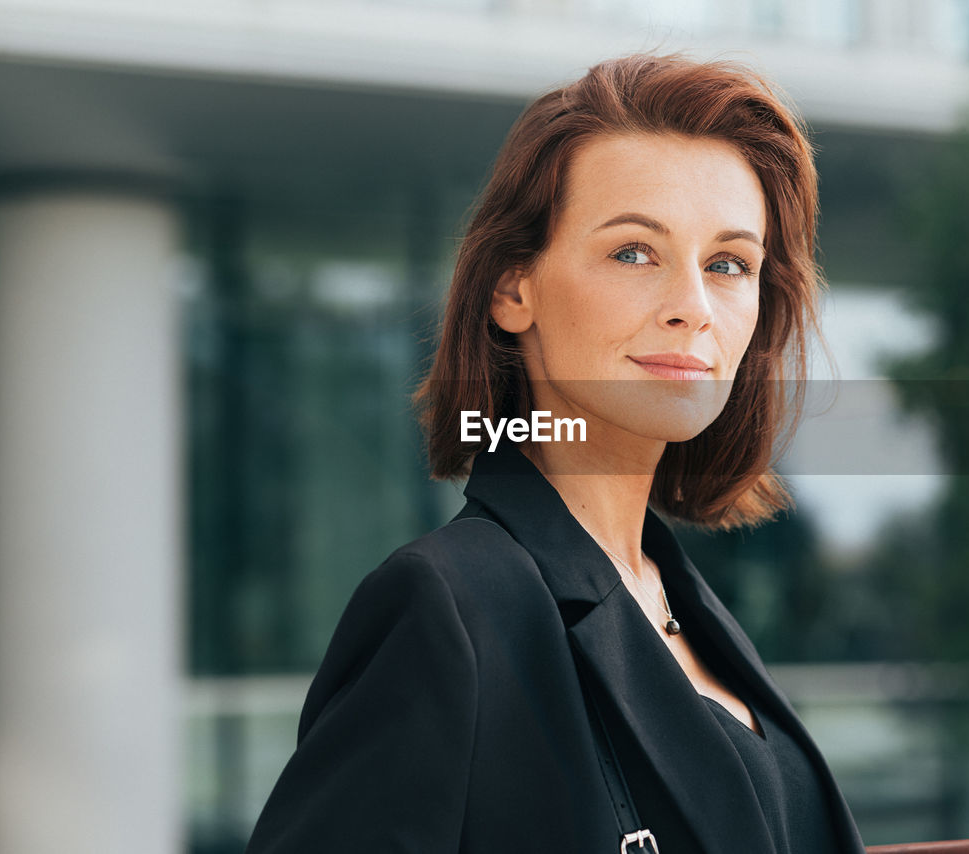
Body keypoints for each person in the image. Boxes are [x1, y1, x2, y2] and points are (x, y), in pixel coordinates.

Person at [244, 51, 865, 854]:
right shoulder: (447, 608)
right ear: (513, 289)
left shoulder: (694, 614)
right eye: (634, 252)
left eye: (728, 264)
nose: (692, 307)